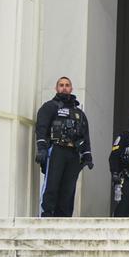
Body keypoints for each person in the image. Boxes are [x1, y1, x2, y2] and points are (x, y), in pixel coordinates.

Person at [35, 76, 93, 217]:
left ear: (71, 88)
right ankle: (47, 215)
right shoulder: (49, 107)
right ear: (56, 88)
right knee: (52, 185)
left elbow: (85, 135)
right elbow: (41, 128)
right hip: (56, 150)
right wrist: (42, 148)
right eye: (61, 85)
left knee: (69, 188)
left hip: (73, 153)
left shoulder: (79, 113)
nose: (64, 87)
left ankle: (65, 218)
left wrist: (87, 155)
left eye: (67, 85)